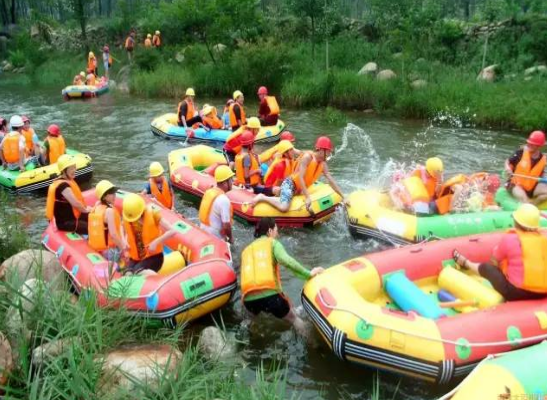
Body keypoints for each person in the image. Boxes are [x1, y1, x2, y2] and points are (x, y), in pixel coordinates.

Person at [241, 218, 324, 334]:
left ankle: (248, 341)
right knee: (294, 319)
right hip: (271, 297)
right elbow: (288, 262)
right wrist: (308, 274)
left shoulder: (246, 250)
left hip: (249, 300)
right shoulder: (273, 243)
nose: (278, 233)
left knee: (251, 322)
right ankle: (314, 347)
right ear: (270, 231)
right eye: (276, 230)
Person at [453, 204, 547, 301]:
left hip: (516, 293)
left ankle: (466, 263)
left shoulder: (509, 239)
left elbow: (494, 261)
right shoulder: (544, 239)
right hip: (543, 293)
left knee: (487, 268)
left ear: (516, 222)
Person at [251, 136, 348, 213]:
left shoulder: (323, 164)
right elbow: (300, 177)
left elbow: (331, 180)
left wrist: (344, 197)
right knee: (284, 207)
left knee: (282, 196)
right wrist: (308, 197)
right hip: (290, 184)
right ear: (321, 150)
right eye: (327, 152)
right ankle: (262, 197)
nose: (328, 155)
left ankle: (278, 193)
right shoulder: (307, 157)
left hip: (299, 189)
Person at [122, 193, 176, 275]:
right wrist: (125, 240)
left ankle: (159, 284)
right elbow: (125, 230)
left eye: (138, 217)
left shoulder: (154, 214)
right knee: (127, 273)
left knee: (138, 272)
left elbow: (172, 231)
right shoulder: (129, 217)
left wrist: (155, 242)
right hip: (136, 257)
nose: (136, 220)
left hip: (154, 257)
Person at [45, 154, 91, 234]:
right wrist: (86, 210)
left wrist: (89, 210)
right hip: (66, 223)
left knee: (95, 218)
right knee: (94, 228)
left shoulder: (66, 181)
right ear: (64, 171)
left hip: (74, 217)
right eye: (71, 168)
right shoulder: (63, 186)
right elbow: (75, 203)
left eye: (74, 167)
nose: (74, 170)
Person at [505, 130, 547, 205]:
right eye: (529, 143)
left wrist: (544, 179)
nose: (529, 145)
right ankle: (527, 206)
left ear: (539, 146)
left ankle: (533, 206)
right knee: (524, 199)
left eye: (532, 144)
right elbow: (507, 162)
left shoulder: (542, 158)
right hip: (515, 184)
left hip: (531, 187)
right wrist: (508, 168)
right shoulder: (520, 152)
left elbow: (541, 174)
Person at [88, 180, 124, 263]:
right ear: (104, 196)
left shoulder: (97, 206)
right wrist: (123, 249)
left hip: (100, 249)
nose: (114, 195)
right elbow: (113, 235)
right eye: (111, 193)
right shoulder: (109, 211)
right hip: (110, 251)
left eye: (114, 192)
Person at [198, 165, 234, 243]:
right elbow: (226, 225)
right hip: (215, 239)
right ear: (225, 183)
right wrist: (231, 239)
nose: (232, 182)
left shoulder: (209, 191)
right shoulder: (223, 200)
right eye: (231, 180)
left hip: (203, 233)